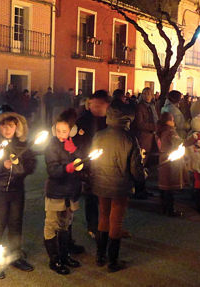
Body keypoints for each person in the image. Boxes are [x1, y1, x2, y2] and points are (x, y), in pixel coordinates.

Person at [0, 112, 36, 279]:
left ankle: (15, 256)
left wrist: (20, 166)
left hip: (17, 191)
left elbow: (31, 165)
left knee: (16, 224)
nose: (8, 129)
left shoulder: (21, 145)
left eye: (11, 125)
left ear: (17, 127)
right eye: (4, 125)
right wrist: (2, 166)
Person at [91, 103, 145, 272]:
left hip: (101, 182)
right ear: (127, 118)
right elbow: (136, 169)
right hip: (120, 186)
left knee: (103, 217)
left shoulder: (99, 135)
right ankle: (113, 261)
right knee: (116, 221)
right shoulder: (129, 138)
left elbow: (93, 160)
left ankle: (100, 256)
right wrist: (143, 176)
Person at [43, 109, 86, 275]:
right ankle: (54, 260)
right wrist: (67, 168)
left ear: (71, 131)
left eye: (65, 131)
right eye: (59, 131)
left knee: (66, 224)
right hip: (56, 192)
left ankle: (65, 254)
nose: (61, 134)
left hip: (71, 191)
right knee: (52, 224)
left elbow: (83, 160)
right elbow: (52, 170)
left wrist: (74, 150)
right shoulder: (51, 146)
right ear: (54, 130)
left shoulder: (73, 144)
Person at [76, 90, 110, 239]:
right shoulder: (83, 120)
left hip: (107, 164)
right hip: (89, 165)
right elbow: (78, 143)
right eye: (93, 104)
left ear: (106, 105)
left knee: (106, 197)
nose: (95, 108)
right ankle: (93, 225)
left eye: (99, 105)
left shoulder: (111, 121)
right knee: (91, 197)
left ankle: (107, 224)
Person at [157, 112, 187, 217]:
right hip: (170, 160)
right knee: (170, 186)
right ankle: (170, 210)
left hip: (163, 158)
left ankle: (163, 207)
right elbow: (180, 143)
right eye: (172, 119)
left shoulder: (161, 130)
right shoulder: (170, 131)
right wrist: (193, 139)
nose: (174, 122)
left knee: (164, 186)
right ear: (168, 121)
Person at [131, 87, 158, 198]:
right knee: (140, 164)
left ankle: (143, 188)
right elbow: (140, 124)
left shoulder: (152, 106)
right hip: (143, 138)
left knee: (146, 165)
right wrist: (155, 127)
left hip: (151, 137)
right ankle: (139, 190)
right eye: (145, 93)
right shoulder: (140, 107)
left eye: (149, 93)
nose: (147, 95)